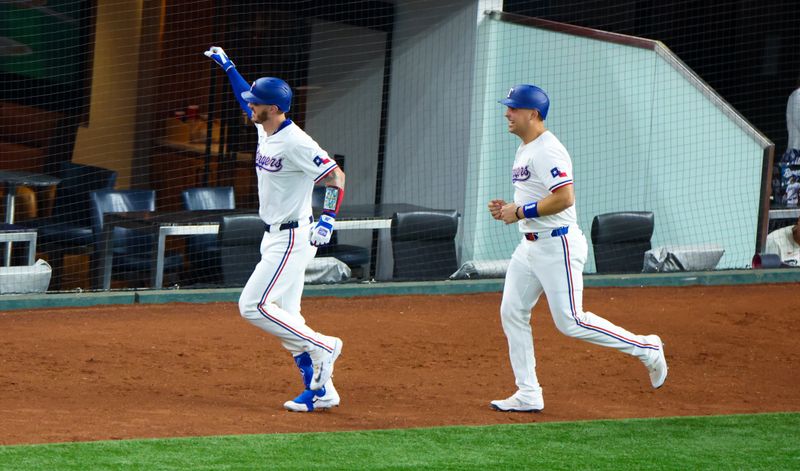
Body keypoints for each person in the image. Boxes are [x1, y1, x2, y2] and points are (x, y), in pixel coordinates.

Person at [487, 84, 668, 413]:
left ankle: (647, 347)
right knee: (511, 312)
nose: (507, 113)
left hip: (558, 246)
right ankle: (528, 392)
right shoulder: (526, 148)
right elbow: (535, 195)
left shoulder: (547, 149)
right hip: (529, 248)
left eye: (513, 108)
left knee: (571, 321)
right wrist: (511, 209)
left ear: (533, 114)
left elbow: (564, 197)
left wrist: (521, 212)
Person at [204, 46, 344, 412]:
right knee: (288, 317)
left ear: (276, 108)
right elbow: (243, 96)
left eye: (257, 103)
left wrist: (328, 218)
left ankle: (325, 346)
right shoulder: (266, 127)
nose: (249, 106)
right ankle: (322, 390)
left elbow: (335, 177)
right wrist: (230, 67)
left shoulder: (296, 142)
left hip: (292, 237)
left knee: (252, 306)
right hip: (274, 236)